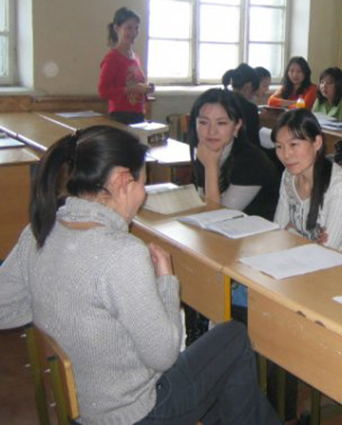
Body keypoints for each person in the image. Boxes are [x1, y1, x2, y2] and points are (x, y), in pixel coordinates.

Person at [0, 126, 278, 425]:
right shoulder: (122, 253)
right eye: (143, 183)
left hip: (80, 407)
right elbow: (164, 357)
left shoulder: (39, 232)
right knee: (233, 337)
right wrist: (166, 281)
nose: (143, 195)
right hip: (137, 414)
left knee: (220, 373)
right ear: (122, 180)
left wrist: (60, 305)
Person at [272, 109, 342, 256]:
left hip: (335, 272)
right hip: (294, 263)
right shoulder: (288, 176)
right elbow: (277, 233)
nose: (286, 155)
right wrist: (308, 242)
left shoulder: (341, 186)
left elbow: (326, 253)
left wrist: (291, 232)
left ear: (317, 142)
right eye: (279, 146)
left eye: (294, 144)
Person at [188, 88, 279, 221]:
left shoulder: (252, 161)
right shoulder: (205, 150)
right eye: (203, 122)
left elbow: (217, 217)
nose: (211, 131)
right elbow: (204, 202)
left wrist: (210, 166)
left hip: (257, 237)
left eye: (221, 123)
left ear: (237, 126)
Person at [97, 7, 154, 125]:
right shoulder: (112, 58)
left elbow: (135, 84)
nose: (133, 32)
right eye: (128, 28)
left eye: (136, 28)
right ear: (117, 28)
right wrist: (131, 89)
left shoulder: (136, 57)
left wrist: (146, 89)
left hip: (138, 115)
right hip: (121, 116)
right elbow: (103, 91)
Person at [222, 63, 261, 147]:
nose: (252, 97)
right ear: (248, 86)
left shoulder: (220, 100)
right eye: (253, 93)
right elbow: (253, 143)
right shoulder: (250, 109)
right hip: (239, 156)